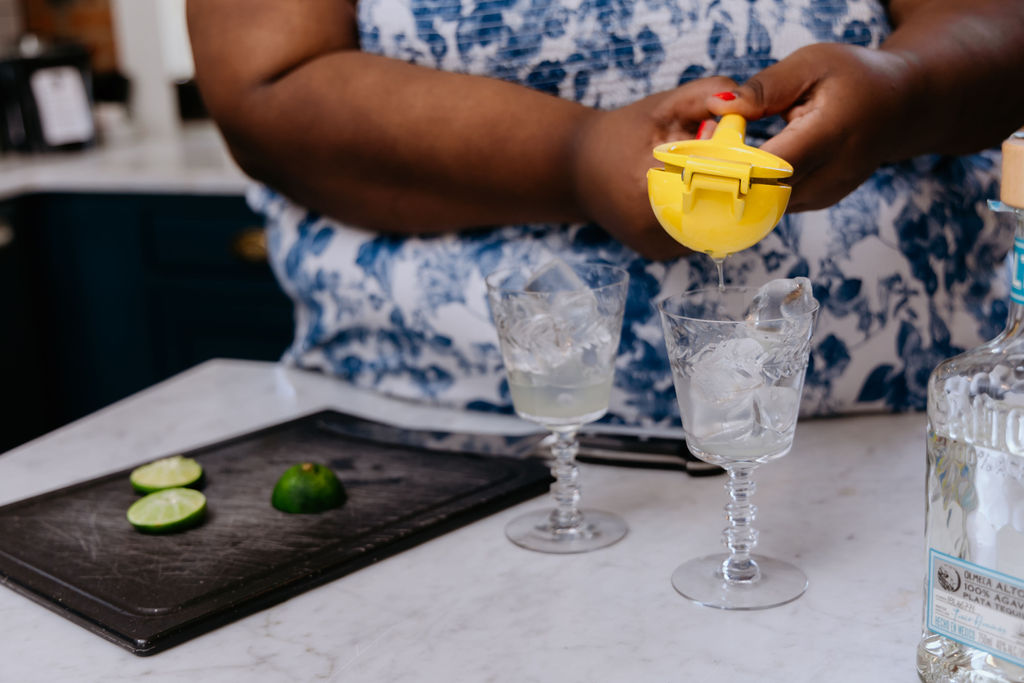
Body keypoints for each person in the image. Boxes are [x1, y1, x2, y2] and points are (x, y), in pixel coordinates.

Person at [187, 0, 1024, 427]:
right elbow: (266, 89)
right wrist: (576, 157)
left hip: (898, 430)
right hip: (427, 432)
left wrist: (900, 89)